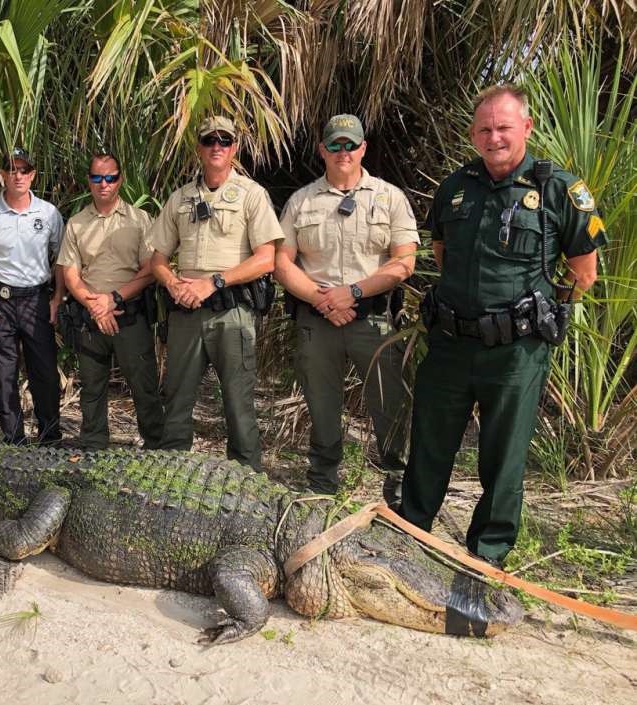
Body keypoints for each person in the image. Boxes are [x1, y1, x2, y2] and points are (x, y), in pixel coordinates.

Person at [402, 85, 607, 566]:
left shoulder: (560, 190)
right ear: (474, 134)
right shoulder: (455, 188)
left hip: (516, 353)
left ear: (526, 129)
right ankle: (408, 536)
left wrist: (533, 315)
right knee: (429, 444)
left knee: (503, 456)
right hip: (451, 343)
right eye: (485, 129)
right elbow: (442, 254)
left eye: (504, 128)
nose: (494, 137)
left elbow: (584, 273)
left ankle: (485, 557)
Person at [275, 114, 419, 499]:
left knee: (389, 404)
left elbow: (404, 262)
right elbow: (282, 262)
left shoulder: (390, 198)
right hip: (317, 319)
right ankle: (322, 484)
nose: (343, 152)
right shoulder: (301, 201)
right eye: (335, 144)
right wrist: (322, 300)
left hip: (371, 321)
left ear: (363, 148)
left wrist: (352, 292)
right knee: (321, 404)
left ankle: (398, 484)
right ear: (322, 149)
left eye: (350, 144)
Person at [149, 116, 284, 470]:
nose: (216, 146)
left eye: (224, 140)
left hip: (232, 313)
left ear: (234, 148)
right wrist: (173, 283)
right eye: (209, 140)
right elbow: (158, 258)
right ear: (199, 147)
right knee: (177, 398)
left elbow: (266, 259)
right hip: (186, 314)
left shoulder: (251, 195)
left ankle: (245, 477)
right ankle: (171, 472)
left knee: (238, 403)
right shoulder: (180, 198)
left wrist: (215, 282)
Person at [57, 153, 164, 449]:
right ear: (89, 180)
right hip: (90, 318)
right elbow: (71, 274)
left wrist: (114, 298)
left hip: (129, 316)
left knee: (143, 386)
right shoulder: (77, 224)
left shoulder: (140, 220)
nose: (103, 184)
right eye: (96, 177)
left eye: (110, 177)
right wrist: (94, 304)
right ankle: (93, 448)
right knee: (92, 388)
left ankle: (157, 449)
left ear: (120, 179)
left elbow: (151, 269)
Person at [0, 148, 65, 445]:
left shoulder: (48, 214)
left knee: (44, 372)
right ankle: (14, 441)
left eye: (24, 170)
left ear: (32, 175)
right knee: (4, 375)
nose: (18, 175)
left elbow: (62, 259)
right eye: (12, 170)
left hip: (37, 301)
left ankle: (50, 439)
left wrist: (57, 298)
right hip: (0, 303)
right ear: (2, 175)